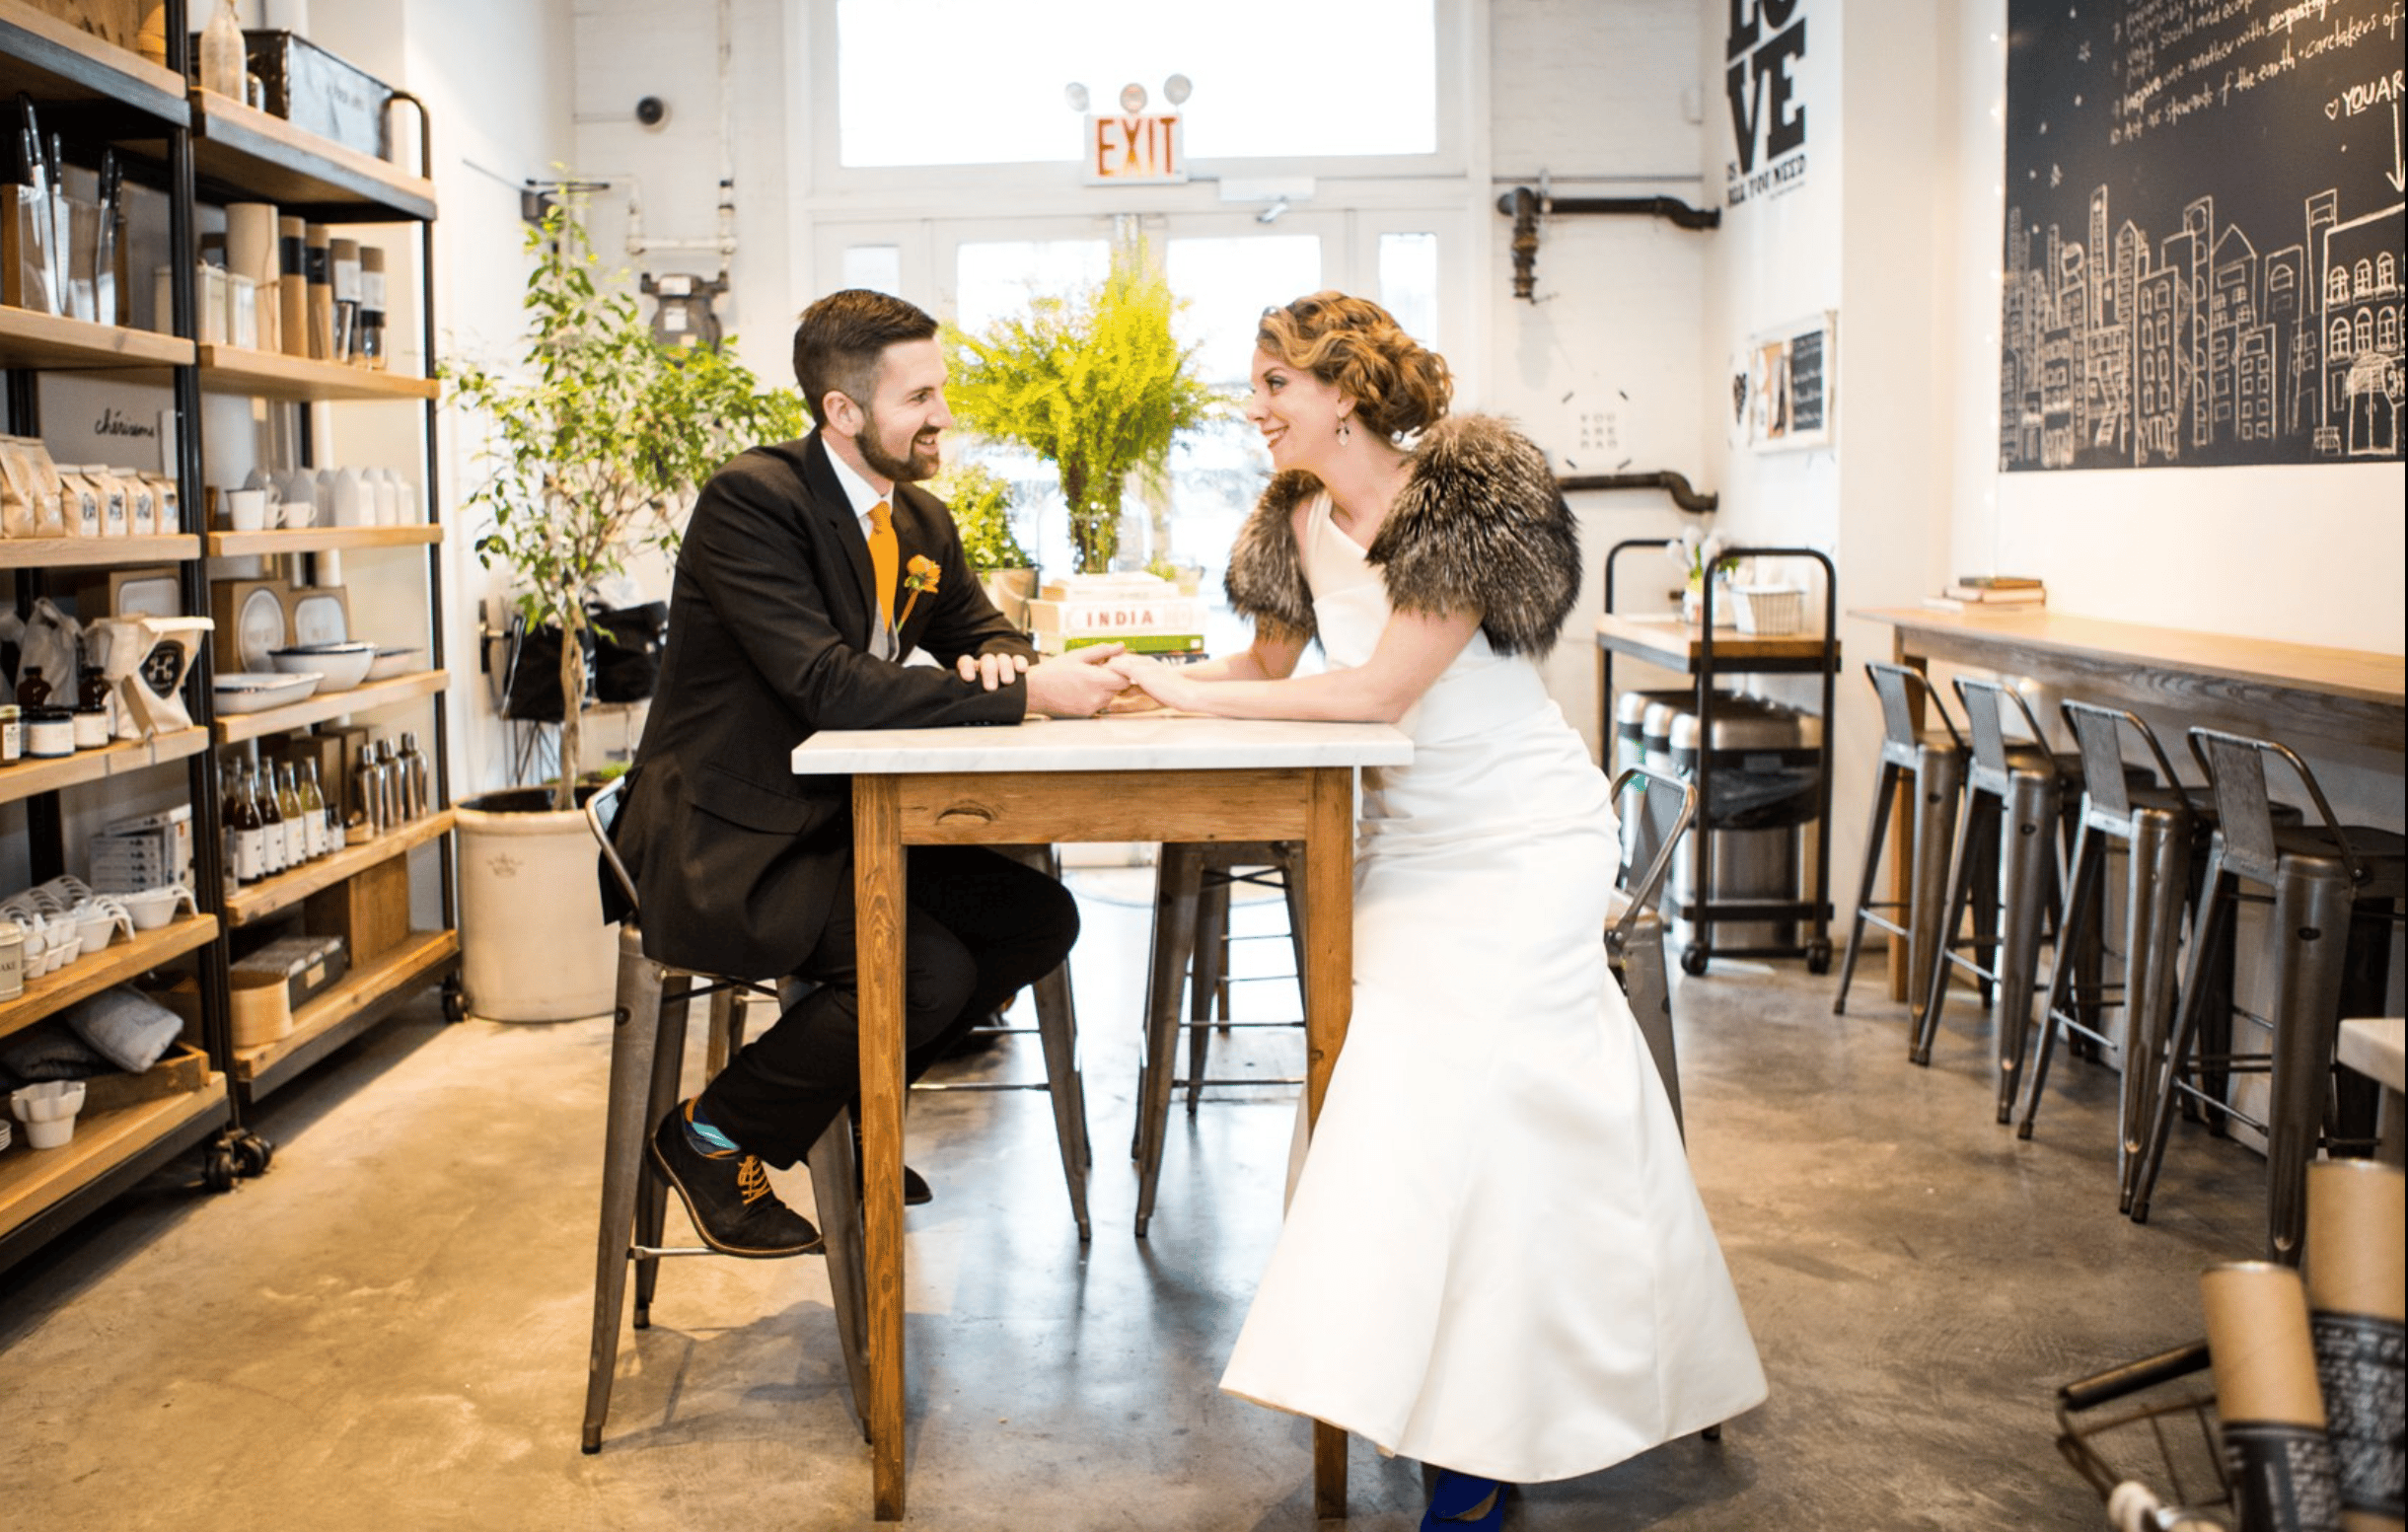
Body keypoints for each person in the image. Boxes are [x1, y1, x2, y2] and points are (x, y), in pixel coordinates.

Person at [1108, 293, 1765, 1529]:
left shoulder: (1469, 497)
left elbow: (1377, 694)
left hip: (1523, 840)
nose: (1253, 409)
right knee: (1390, 1089)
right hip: (1408, 849)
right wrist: (1125, 692)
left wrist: (1163, 692)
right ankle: (1440, 1404)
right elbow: (1263, 673)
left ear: (1342, 391)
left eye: (1272, 384)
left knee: (1453, 1078)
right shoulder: (1295, 520)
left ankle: (1481, 1443)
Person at [604, 288, 1128, 1258]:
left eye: (941, 390)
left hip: (832, 827)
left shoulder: (919, 520)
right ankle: (709, 1135)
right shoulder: (753, 503)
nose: (942, 416)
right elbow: (826, 684)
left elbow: (984, 631)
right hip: (731, 840)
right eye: (917, 396)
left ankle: (840, 1113)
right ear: (842, 412)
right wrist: (1028, 697)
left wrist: (1013, 662)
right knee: (925, 971)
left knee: (1037, 920)